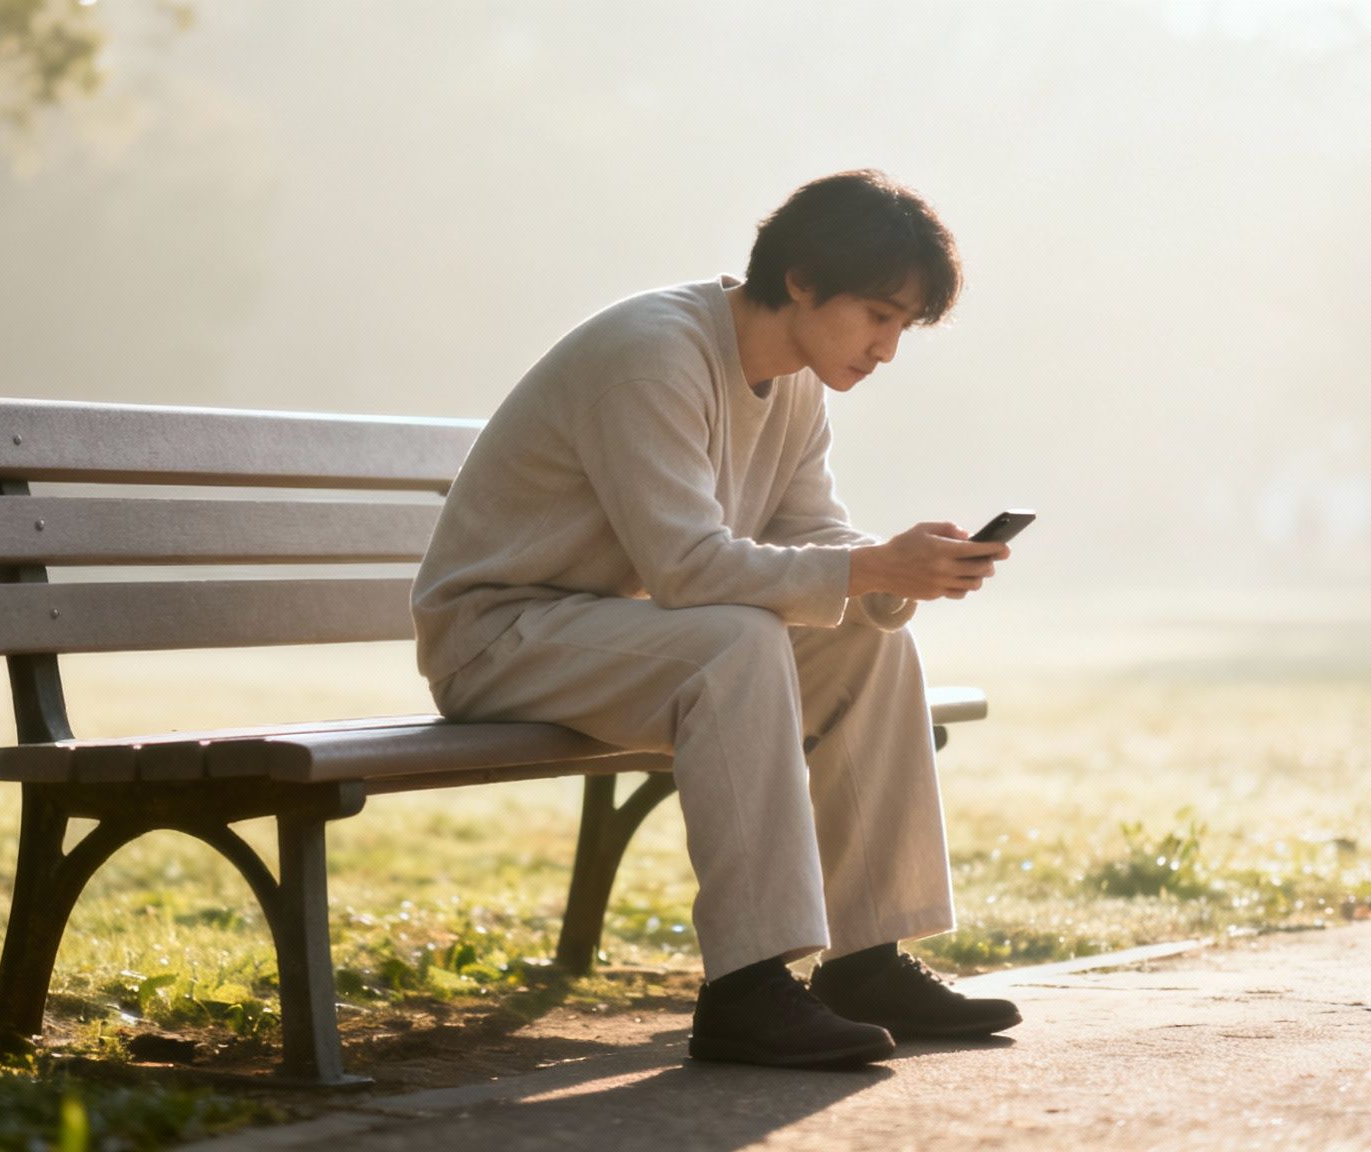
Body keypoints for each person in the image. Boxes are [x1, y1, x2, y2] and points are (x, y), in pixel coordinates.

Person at [411, 169, 1019, 1070]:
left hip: (620, 637)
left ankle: (866, 959)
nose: (888, 348)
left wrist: (899, 576)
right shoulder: (652, 355)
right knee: (732, 643)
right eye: (879, 316)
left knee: (869, 642)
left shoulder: (801, 384)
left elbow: (810, 536)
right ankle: (747, 990)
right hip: (500, 637)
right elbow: (687, 568)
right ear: (803, 280)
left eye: (904, 327)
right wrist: (867, 567)